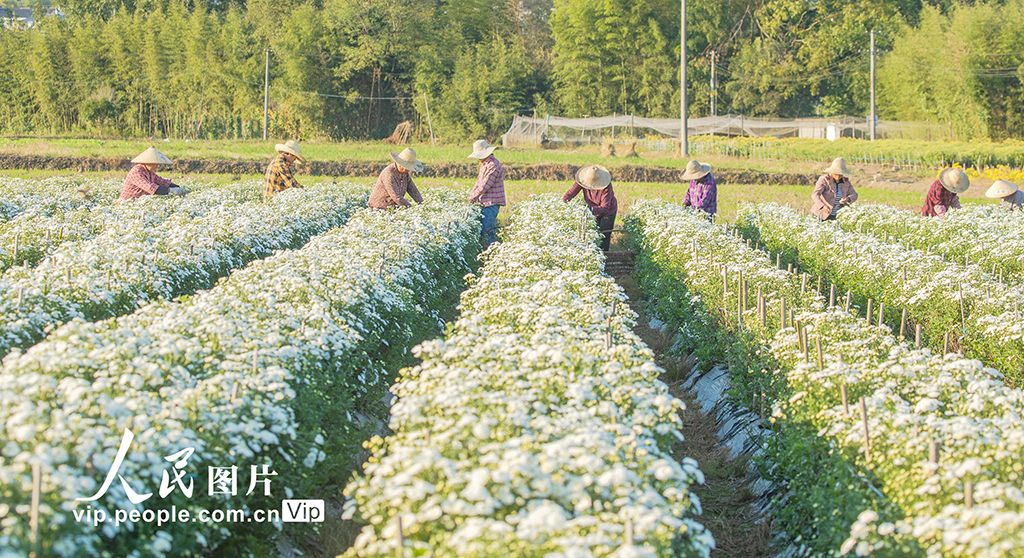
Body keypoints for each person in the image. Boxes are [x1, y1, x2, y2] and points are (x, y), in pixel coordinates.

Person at [563, 164, 618, 251]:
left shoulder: (606, 186)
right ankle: (593, 252)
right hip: (593, 209)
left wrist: (590, 209)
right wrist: (565, 201)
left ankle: (604, 256)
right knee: (593, 233)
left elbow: (605, 207)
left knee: (604, 235)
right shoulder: (582, 180)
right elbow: (572, 192)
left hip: (608, 211)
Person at [466, 139, 505, 247]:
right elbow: (478, 182)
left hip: (491, 203)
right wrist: (471, 196)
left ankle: (490, 253)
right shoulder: (484, 164)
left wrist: (471, 198)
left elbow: (485, 185)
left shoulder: (493, 165)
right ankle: (486, 251)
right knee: (484, 229)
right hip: (484, 202)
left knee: (488, 229)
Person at [119, 146, 185, 200]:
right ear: (148, 162)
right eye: (155, 164)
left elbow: (161, 181)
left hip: (138, 203)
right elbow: (150, 188)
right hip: (126, 203)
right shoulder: (137, 172)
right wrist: (170, 190)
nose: (156, 167)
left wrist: (176, 187)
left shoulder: (149, 172)